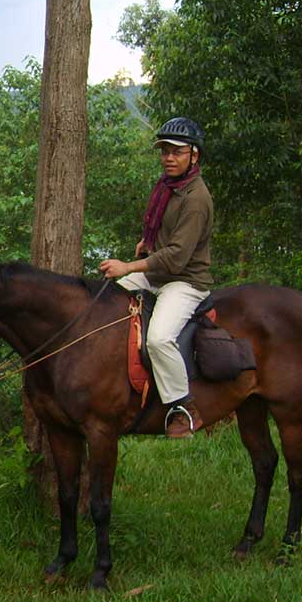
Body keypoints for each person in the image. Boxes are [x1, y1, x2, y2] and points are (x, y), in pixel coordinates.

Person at [99, 116, 215, 438]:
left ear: (194, 155)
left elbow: (177, 257)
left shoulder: (196, 198)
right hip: (159, 273)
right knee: (106, 298)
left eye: (177, 151)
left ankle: (184, 408)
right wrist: (147, 242)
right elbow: (165, 231)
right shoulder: (168, 186)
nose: (168, 157)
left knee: (159, 339)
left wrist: (128, 266)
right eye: (165, 151)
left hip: (185, 281)